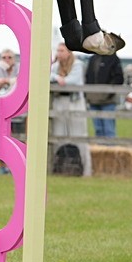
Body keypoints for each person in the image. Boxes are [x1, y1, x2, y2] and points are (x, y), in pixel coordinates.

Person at [49, 42, 91, 176]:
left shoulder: (77, 65)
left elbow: (72, 80)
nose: (59, 53)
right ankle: (59, 167)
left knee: (79, 134)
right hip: (59, 100)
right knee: (58, 133)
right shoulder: (55, 67)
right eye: (58, 50)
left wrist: (61, 80)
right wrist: (57, 77)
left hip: (75, 101)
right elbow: (47, 75)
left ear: (69, 52)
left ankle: (84, 170)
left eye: (62, 51)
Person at [84, 52, 124, 139]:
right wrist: (87, 94)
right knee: (98, 129)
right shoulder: (92, 59)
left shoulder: (113, 58)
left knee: (109, 129)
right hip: (93, 100)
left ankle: (111, 151)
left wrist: (109, 93)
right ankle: (100, 151)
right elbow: (87, 77)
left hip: (108, 101)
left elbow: (119, 78)